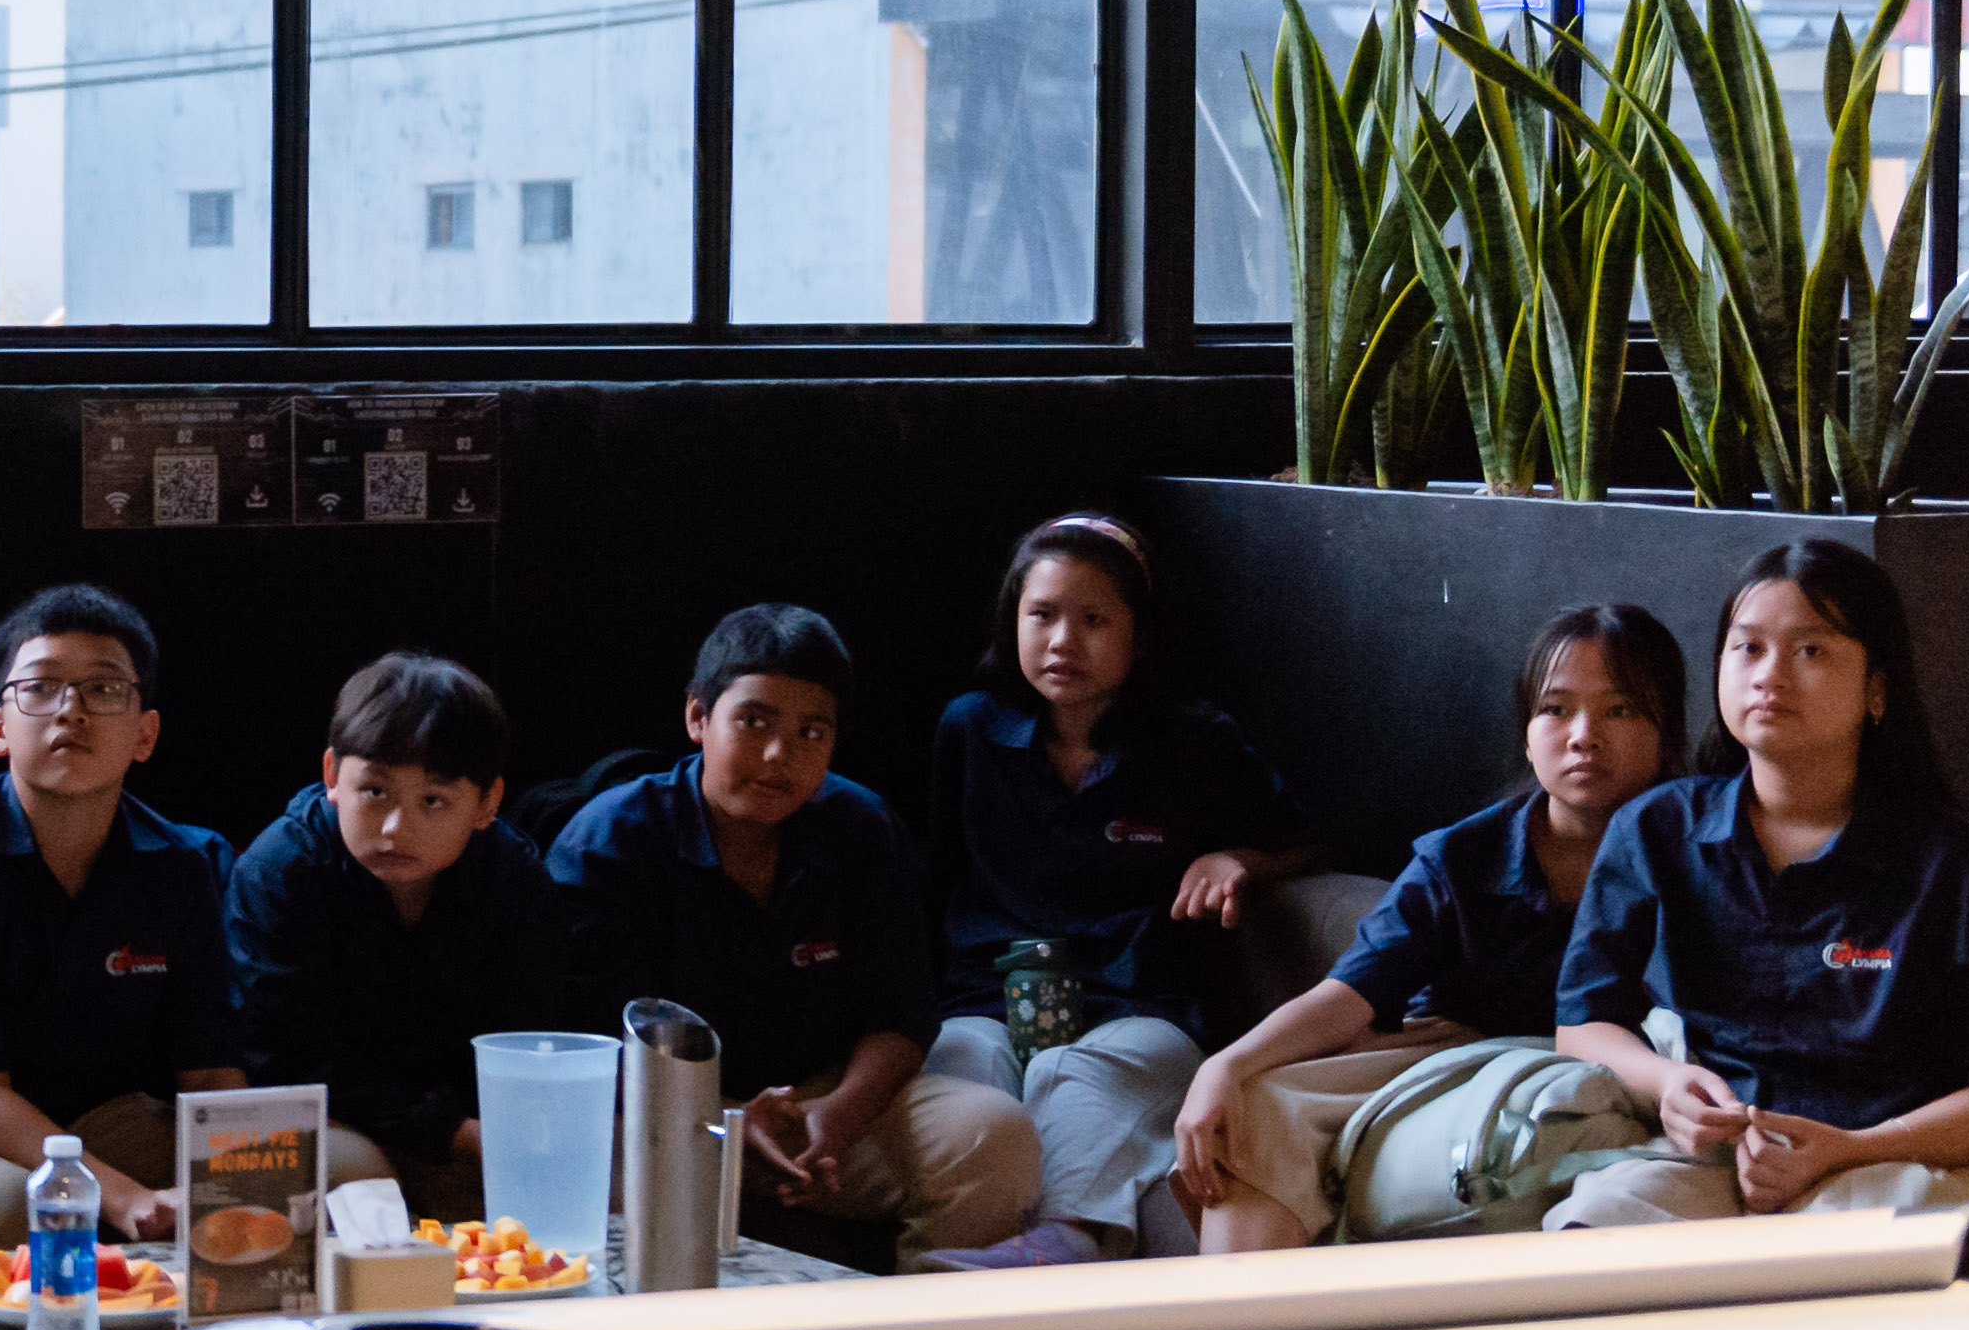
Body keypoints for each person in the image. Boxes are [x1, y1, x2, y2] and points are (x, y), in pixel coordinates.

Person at [1549, 539, 1969, 1225]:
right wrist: (1668, 1084)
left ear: (1877, 689)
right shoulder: (1654, 829)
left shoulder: (1964, 869)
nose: (1769, 675)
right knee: (1598, 1224)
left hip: (1890, 1163)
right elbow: (1582, 1023)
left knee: (1858, 1244)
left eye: (1810, 650)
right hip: (1715, 1159)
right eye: (1748, 648)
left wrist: (1850, 1148)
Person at [1170, 606, 1683, 1254]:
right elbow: (1347, 995)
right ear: (1526, 734)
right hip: (1453, 1059)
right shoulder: (1463, 858)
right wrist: (1226, 1065)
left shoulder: (1696, 850)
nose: (1583, 735)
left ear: (1666, 732)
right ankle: (1239, 1315)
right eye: (1555, 709)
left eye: (1620, 710)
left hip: (1628, 1074)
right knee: (1253, 1109)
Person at [0, 584, 314, 1251]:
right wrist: (126, 1198)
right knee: (9, 1210)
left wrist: (243, 1179)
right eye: (41, 687)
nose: (71, 710)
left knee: (327, 1171)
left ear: (145, 734)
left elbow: (207, 1073)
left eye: (103, 689)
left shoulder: (185, 864)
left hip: (93, 1113)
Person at [547, 606, 1035, 1260]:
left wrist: (839, 1114)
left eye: (810, 732)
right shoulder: (608, 844)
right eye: (753, 722)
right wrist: (726, 1119)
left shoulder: (860, 828)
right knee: (585, 1156)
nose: (780, 755)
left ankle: (922, 1319)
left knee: (993, 1135)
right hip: (660, 1115)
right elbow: (585, 1053)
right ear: (697, 717)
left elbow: (900, 1017)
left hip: (817, 1107)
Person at [911, 516, 1317, 1269]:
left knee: (1070, 1073)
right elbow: (935, 879)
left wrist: (1236, 858)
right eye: (1042, 615)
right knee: (967, 1069)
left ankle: (1064, 1244)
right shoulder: (968, 731)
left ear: (1140, 633)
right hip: (985, 998)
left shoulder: (1193, 740)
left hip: (1137, 1008)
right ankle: (957, 1267)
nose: (1063, 641)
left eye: (1094, 620)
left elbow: (1302, 837)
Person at [223, 651, 562, 1207]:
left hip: (466, 1119)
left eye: (433, 800)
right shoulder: (279, 871)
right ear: (332, 776)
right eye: (375, 792)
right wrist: (452, 1130)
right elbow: (284, 1061)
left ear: (487, 803)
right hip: (322, 1113)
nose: (396, 827)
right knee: (360, 1183)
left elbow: (523, 1036)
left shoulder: (512, 876)